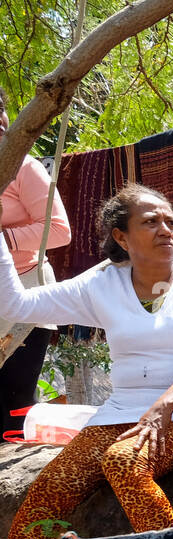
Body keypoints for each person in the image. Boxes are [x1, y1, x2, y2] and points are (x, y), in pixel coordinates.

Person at [0, 184, 173, 539]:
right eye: (150, 221)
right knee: (55, 482)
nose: (167, 229)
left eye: (170, 220)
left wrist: (165, 406)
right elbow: (18, 304)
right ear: (121, 237)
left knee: (123, 463)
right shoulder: (103, 282)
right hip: (122, 408)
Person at [0, 88, 72, 433]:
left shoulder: (24, 167)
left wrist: (4, 239)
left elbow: (59, 231)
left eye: (1, 111)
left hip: (28, 289)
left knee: (12, 406)